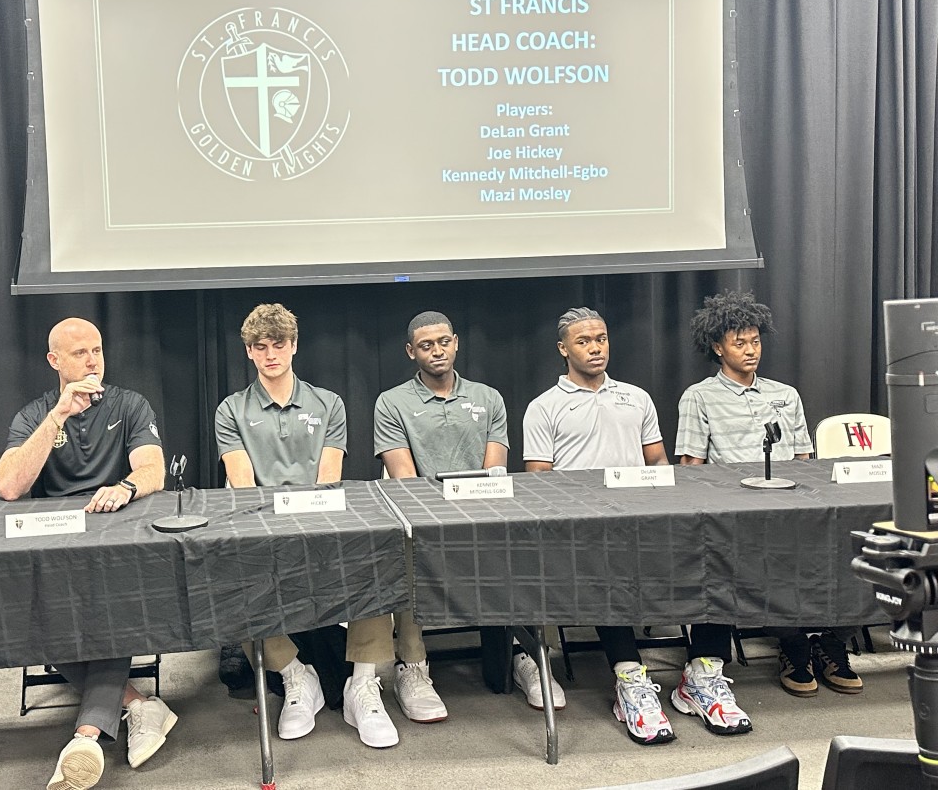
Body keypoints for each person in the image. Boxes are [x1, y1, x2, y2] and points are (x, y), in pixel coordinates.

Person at [523, 307, 752, 745]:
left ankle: (703, 676)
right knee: (609, 570)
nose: (596, 348)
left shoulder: (636, 396)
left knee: (716, 555)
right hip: (585, 529)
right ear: (563, 349)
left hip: (646, 518)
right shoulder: (543, 407)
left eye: (602, 338)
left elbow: (659, 463)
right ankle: (630, 680)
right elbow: (541, 483)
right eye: (584, 341)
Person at [0, 317, 177, 790]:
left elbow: (153, 469)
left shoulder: (129, 404)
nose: (93, 360)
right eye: (80, 353)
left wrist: (125, 487)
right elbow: (9, 486)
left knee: (109, 610)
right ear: (55, 361)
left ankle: (87, 737)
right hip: (55, 543)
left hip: (115, 537)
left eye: (97, 350)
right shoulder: (35, 414)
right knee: (38, 617)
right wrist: (57, 416)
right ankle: (140, 704)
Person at [215, 303, 400, 748]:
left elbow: (329, 480)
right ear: (249, 353)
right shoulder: (231, 410)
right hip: (263, 527)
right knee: (222, 578)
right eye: (260, 347)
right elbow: (244, 488)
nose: (270, 354)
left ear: (294, 346)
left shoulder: (328, 403)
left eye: (279, 344)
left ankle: (362, 684)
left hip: (321, 521)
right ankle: (297, 677)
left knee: (374, 555)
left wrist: (311, 522)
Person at [374, 310, 566, 718]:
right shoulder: (391, 403)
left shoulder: (487, 397)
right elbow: (405, 481)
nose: (437, 351)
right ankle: (412, 665)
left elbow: (495, 471)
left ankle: (528, 655)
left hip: (484, 513)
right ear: (412, 352)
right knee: (404, 557)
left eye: (443, 341)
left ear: (456, 342)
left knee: (530, 551)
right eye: (426, 345)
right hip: (422, 519)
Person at [676, 289, 863, 698]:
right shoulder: (699, 397)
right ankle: (793, 644)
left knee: (848, 549)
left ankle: (832, 642)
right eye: (739, 343)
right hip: (735, 512)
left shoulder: (785, 394)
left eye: (755, 341)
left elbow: (804, 458)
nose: (750, 351)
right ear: (717, 347)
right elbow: (691, 468)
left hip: (792, 503)